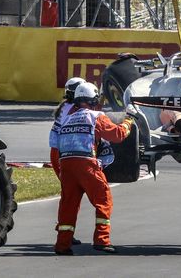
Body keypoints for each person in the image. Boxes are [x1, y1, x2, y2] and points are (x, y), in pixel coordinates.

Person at [54, 82, 135, 255]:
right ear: (93, 100)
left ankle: (62, 245)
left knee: (68, 205)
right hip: (86, 164)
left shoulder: (67, 118)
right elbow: (117, 135)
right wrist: (129, 121)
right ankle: (102, 240)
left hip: (66, 165)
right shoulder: (96, 116)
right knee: (104, 200)